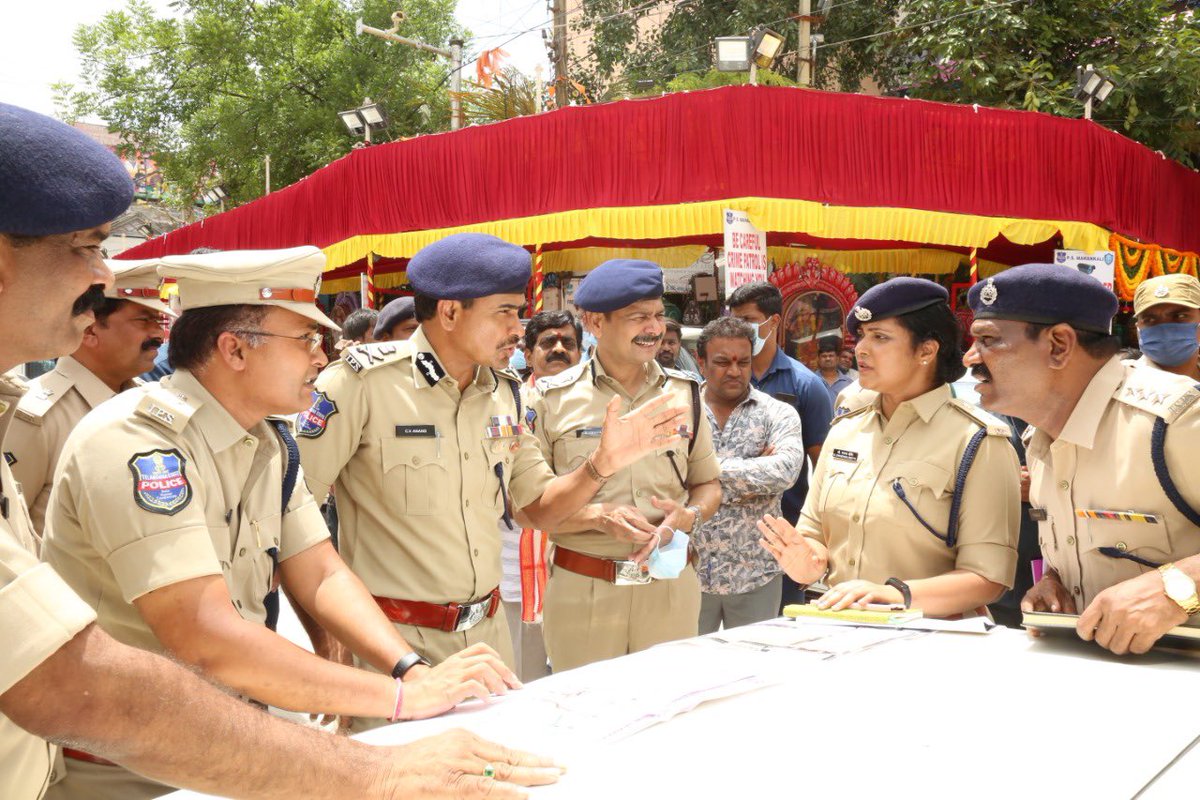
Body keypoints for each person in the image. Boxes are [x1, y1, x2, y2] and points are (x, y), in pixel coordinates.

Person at [0, 101, 560, 800]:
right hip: (127, 772)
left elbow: (319, 571)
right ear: (233, 348)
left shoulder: (266, 443)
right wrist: (397, 703)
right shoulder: (140, 443)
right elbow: (203, 636)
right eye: (306, 339)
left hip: (227, 744)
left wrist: (407, 669)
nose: (325, 355)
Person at [296, 235, 688, 694]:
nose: (518, 328)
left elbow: (536, 509)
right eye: (504, 312)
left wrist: (600, 466)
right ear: (449, 313)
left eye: (518, 312)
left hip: (488, 639)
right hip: (393, 647)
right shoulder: (361, 385)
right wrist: (329, 636)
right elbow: (293, 520)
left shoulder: (505, 393)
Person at [965, 264, 1200, 655]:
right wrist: (1056, 583)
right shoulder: (1039, 438)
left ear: (1059, 345)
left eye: (988, 340)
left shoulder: (1175, 419)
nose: (971, 357)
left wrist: (1176, 588)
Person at [758, 278, 1021, 618]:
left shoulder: (977, 440)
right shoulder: (845, 429)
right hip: (837, 632)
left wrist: (892, 595)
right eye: (863, 335)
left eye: (880, 337)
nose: (860, 348)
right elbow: (813, 535)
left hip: (930, 642)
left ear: (927, 350)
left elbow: (988, 577)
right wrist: (806, 560)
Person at [529, 259, 722, 671]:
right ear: (595, 322)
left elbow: (709, 485)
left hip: (669, 588)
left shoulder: (685, 393)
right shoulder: (549, 399)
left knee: (670, 718)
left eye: (657, 315)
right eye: (638, 317)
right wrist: (597, 517)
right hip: (584, 593)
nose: (653, 328)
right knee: (585, 719)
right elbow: (527, 508)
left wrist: (686, 516)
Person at [5, 259, 170, 533]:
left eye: (159, 320)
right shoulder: (35, 416)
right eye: (144, 320)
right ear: (90, 330)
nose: (158, 333)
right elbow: (8, 527)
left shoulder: (151, 403)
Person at [693, 317, 804, 634]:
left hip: (756, 573)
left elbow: (785, 471)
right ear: (702, 363)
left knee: (754, 669)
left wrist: (702, 473)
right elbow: (666, 474)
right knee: (688, 674)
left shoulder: (777, 413)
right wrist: (752, 471)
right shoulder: (682, 413)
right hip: (691, 573)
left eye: (743, 361)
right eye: (722, 362)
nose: (734, 370)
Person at [727, 281, 834, 606]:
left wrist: (816, 542)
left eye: (746, 320)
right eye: (734, 321)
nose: (739, 330)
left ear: (772, 322)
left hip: (784, 533)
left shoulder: (805, 386)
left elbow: (826, 468)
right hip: (728, 535)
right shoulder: (724, 382)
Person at [499, 310, 584, 680]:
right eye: (548, 342)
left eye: (568, 342)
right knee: (523, 683)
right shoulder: (505, 404)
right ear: (528, 353)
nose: (559, 349)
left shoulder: (602, 407)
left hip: (581, 570)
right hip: (514, 578)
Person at [1130, 273, 1200, 381]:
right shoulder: (1118, 385)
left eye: (1180, 316)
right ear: (1138, 330)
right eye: (1150, 320)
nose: (1165, 330)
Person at [816, 335, 854, 404]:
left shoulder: (849, 383)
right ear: (818, 359)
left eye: (831, 356)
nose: (828, 359)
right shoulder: (811, 381)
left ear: (837, 359)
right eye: (824, 356)